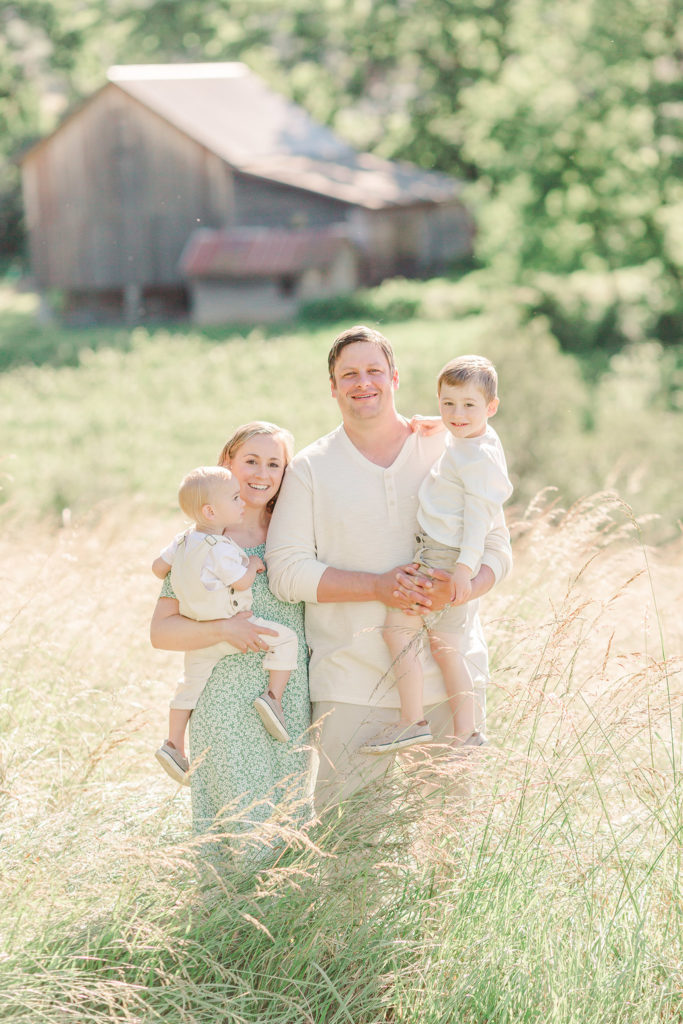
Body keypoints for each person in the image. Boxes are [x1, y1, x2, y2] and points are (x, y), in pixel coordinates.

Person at [266, 326, 512, 807]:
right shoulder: (310, 468)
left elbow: (499, 550)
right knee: (348, 850)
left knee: (447, 844)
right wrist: (378, 586)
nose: (364, 382)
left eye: (374, 370)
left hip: (450, 684)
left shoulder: (450, 445)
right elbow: (286, 571)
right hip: (350, 684)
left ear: (395, 378)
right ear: (332, 387)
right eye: (349, 374)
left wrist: (460, 589)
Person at [150, 422, 312, 843]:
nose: (262, 473)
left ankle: (286, 908)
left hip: (287, 698)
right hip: (222, 701)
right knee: (235, 825)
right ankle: (227, 907)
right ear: (226, 466)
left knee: (288, 820)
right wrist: (225, 629)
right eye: (251, 461)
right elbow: (162, 632)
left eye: (274, 463)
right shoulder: (200, 543)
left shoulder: (296, 532)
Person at [361, 355, 512, 755]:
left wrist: (464, 571)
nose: (457, 414)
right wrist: (439, 423)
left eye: (468, 406)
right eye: (448, 404)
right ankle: (467, 732)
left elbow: (479, 518)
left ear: (491, 408)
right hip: (442, 552)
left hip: (446, 557)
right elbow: (461, 427)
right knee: (446, 648)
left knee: (399, 631)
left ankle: (412, 721)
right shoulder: (476, 437)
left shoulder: (476, 458)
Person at [153, 464, 299, 786]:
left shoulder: (182, 540)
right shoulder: (220, 549)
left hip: (199, 637)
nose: (241, 502)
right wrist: (255, 564)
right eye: (234, 498)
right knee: (286, 640)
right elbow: (243, 583)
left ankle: (174, 744)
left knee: (188, 687)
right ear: (210, 510)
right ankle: (273, 697)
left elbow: (157, 567)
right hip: (235, 623)